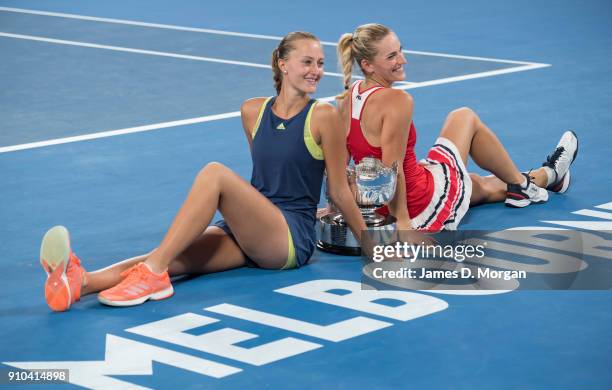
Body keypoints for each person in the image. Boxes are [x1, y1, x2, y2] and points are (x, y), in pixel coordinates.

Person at [39, 31, 368, 312]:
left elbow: (337, 188)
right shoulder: (252, 111)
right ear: (283, 65)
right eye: (307, 62)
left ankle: (152, 274)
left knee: (215, 174)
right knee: (171, 254)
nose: (316, 71)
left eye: (320, 63)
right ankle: (80, 283)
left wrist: (369, 245)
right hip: (252, 229)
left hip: (289, 239)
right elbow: (268, 181)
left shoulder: (325, 115)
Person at [336, 23, 578, 232]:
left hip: (374, 204)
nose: (403, 60)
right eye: (391, 56)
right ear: (368, 65)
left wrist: (335, 205)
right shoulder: (398, 100)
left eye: (400, 50)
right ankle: (526, 185)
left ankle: (546, 177)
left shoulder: (348, 98)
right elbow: (393, 170)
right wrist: (402, 223)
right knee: (464, 116)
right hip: (417, 201)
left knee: (476, 184)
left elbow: (340, 162)